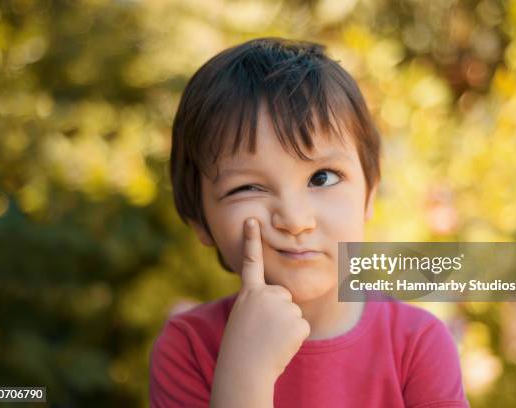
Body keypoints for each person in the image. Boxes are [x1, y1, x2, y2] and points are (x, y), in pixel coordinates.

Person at [149, 37, 469, 407]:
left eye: (322, 178)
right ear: (199, 220)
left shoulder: (418, 344)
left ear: (369, 194)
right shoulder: (188, 349)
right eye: (248, 187)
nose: (295, 220)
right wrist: (244, 375)